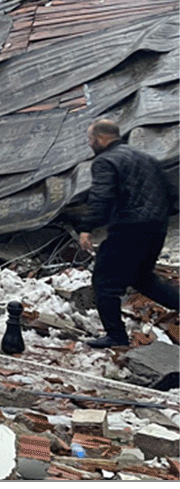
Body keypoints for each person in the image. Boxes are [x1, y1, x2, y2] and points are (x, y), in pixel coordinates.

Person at [78, 118, 179, 348]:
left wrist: (86, 227)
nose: (90, 144)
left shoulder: (105, 161)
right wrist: (159, 217)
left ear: (102, 139)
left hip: (129, 228)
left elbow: (101, 197)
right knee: (142, 278)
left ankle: (116, 336)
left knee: (105, 282)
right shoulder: (147, 158)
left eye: (91, 139)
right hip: (156, 228)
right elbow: (172, 192)